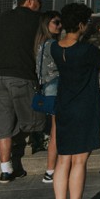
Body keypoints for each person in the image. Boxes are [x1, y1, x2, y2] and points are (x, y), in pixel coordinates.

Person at [51, 2, 100, 199]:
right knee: (79, 161)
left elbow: (85, 64)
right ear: (81, 24)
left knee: (63, 160)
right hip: (84, 108)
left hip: (63, 107)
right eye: (87, 22)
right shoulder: (86, 50)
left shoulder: (55, 47)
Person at [0, 0, 43, 184]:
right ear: (30, 0)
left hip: (0, 75)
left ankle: (6, 169)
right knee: (36, 120)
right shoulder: (37, 20)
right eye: (39, 1)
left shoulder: (3, 17)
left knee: (3, 126)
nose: (40, 5)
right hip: (22, 75)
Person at [35, 10, 62, 184]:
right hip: (55, 88)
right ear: (47, 24)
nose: (60, 26)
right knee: (56, 130)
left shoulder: (40, 44)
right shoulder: (52, 45)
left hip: (46, 89)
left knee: (55, 130)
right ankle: (51, 170)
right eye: (56, 22)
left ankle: (51, 169)